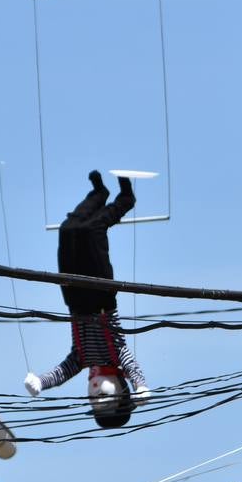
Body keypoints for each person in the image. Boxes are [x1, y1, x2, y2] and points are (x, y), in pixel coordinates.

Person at [25, 171, 150, 428]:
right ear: (120, 388)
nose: (94, 392)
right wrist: (141, 386)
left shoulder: (81, 358)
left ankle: (99, 194)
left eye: (92, 400)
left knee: (69, 230)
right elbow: (133, 365)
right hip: (100, 296)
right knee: (93, 230)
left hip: (73, 299)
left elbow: (62, 372)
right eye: (103, 396)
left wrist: (40, 382)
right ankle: (125, 199)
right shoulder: (116, 355)